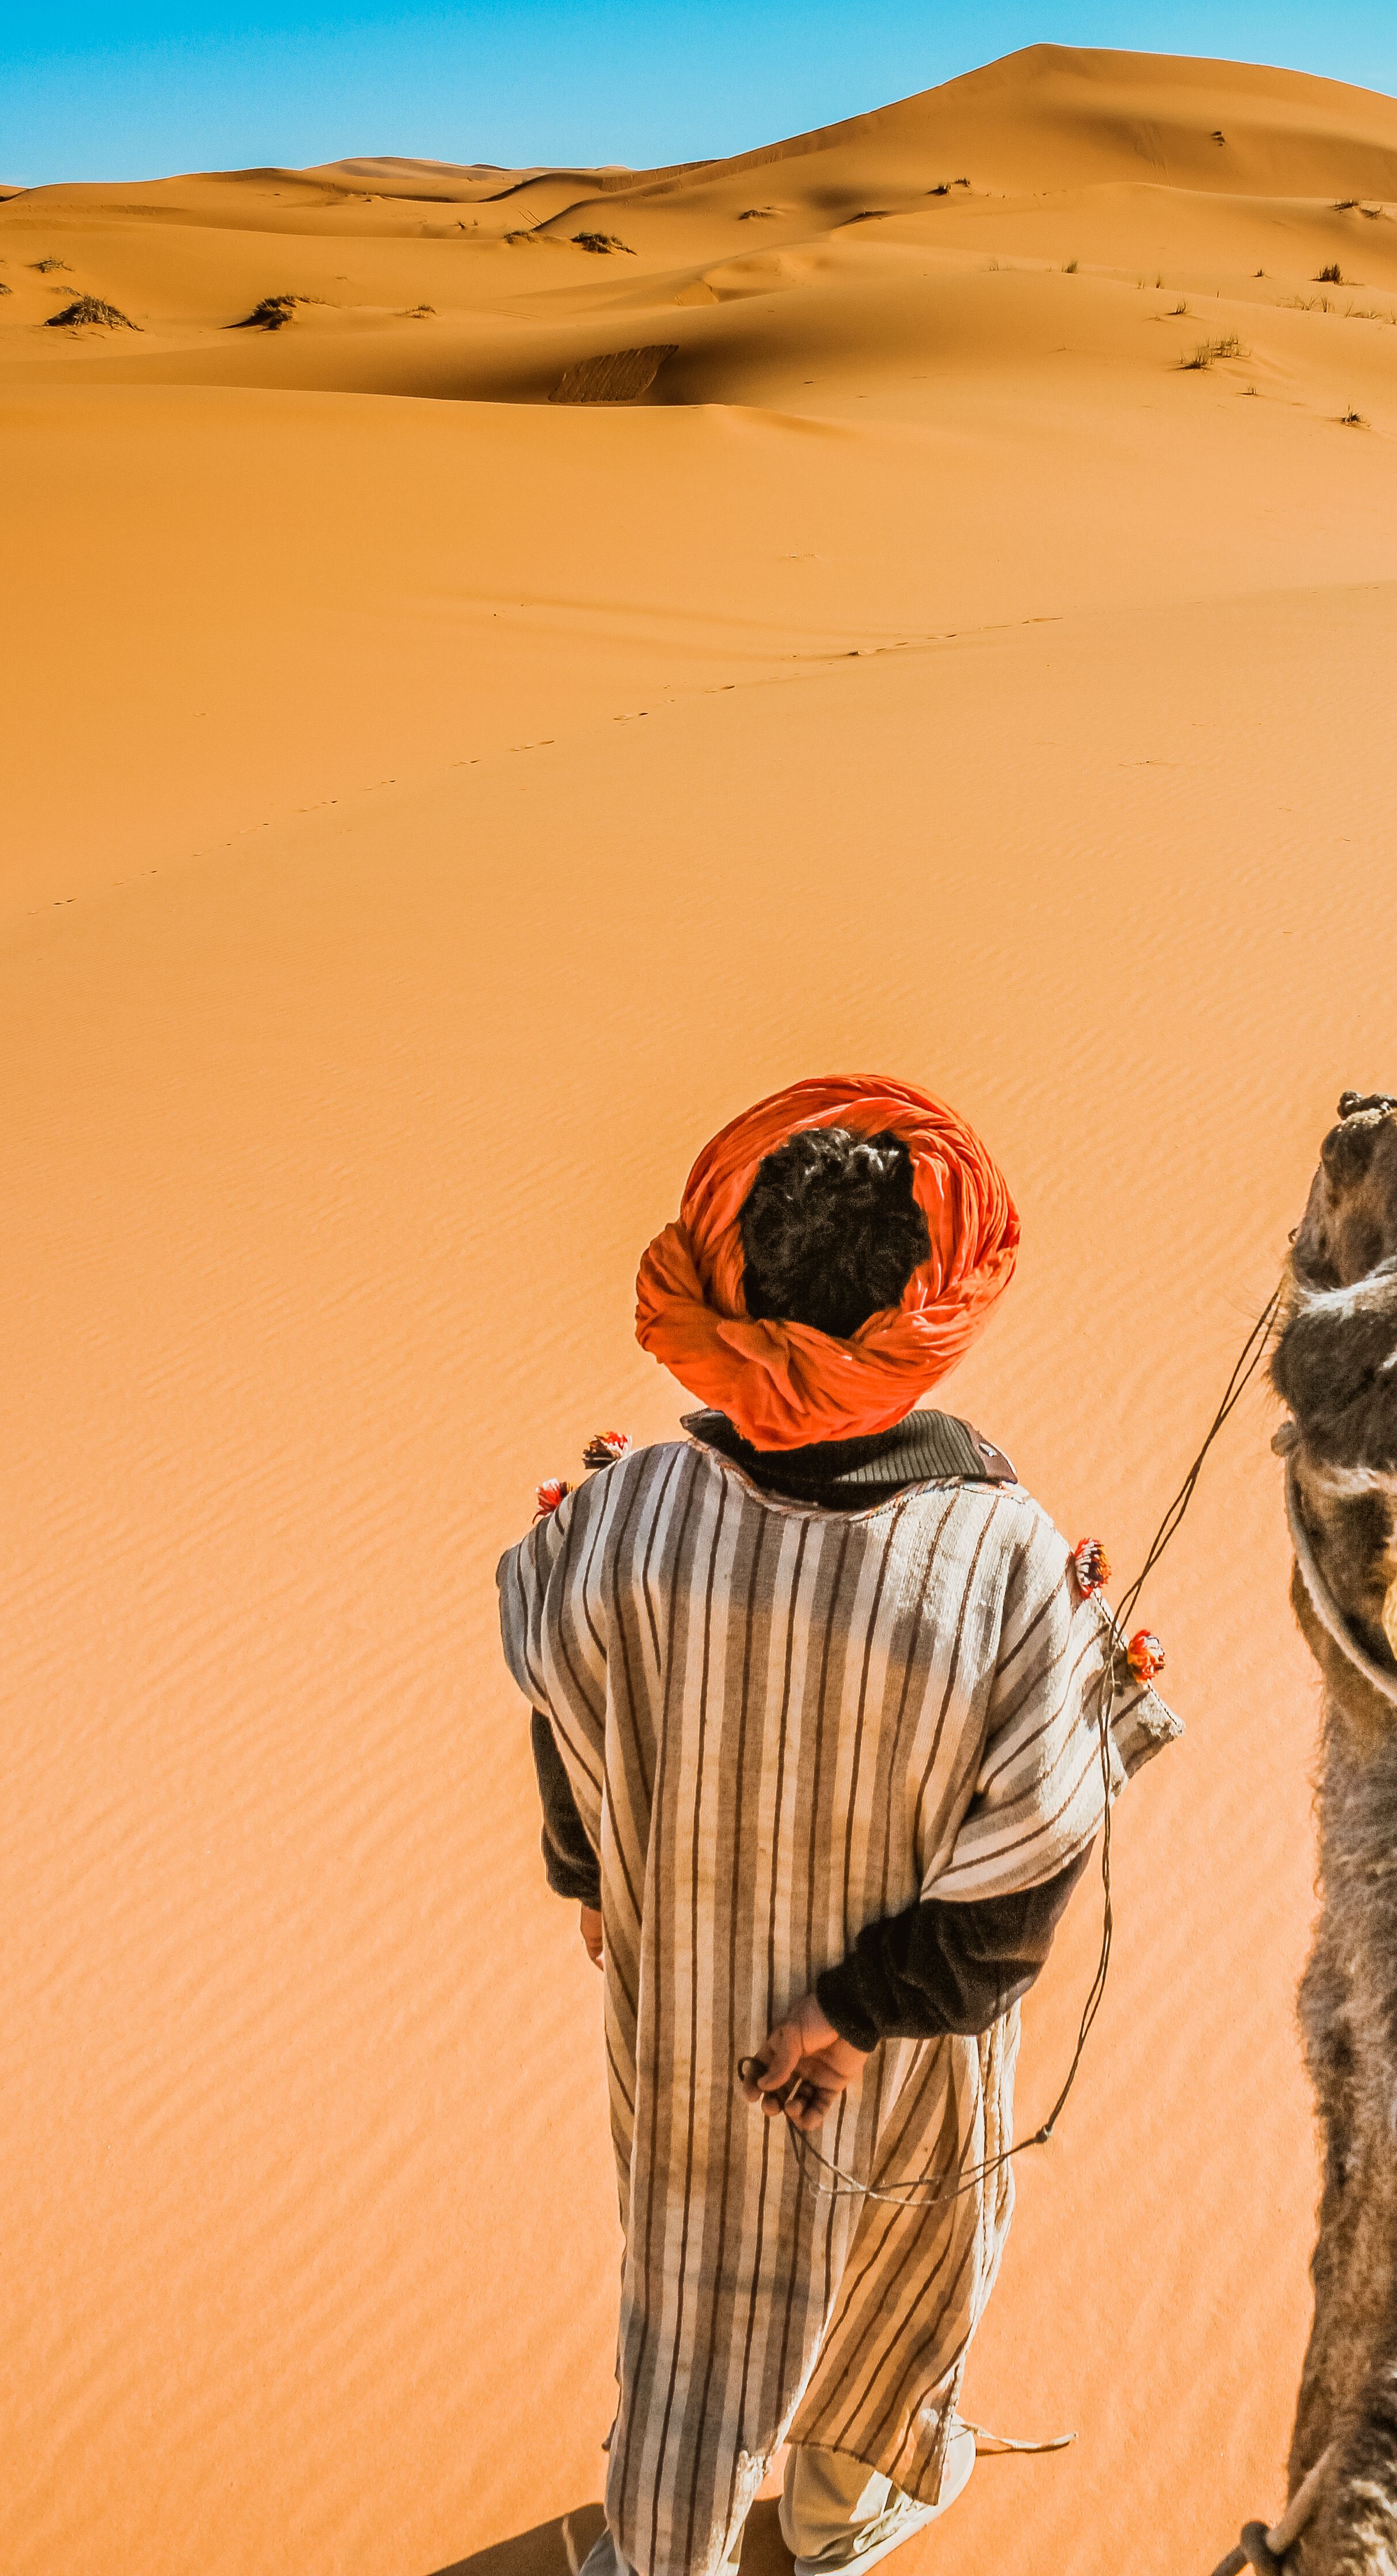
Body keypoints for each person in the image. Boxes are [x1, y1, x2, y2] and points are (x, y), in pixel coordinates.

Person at [497, 1074, 1179, 2576]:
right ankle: (834, 2511)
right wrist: (861, 2010)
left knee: (693, 2287)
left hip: (683, 2014)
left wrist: (591, 1869)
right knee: (909, 2253)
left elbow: (556, 1682)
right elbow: (1032, 1859)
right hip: (896, 2049)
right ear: (921, 1324)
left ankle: (668, 2534)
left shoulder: (631, 1512)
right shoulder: (999, 1558)